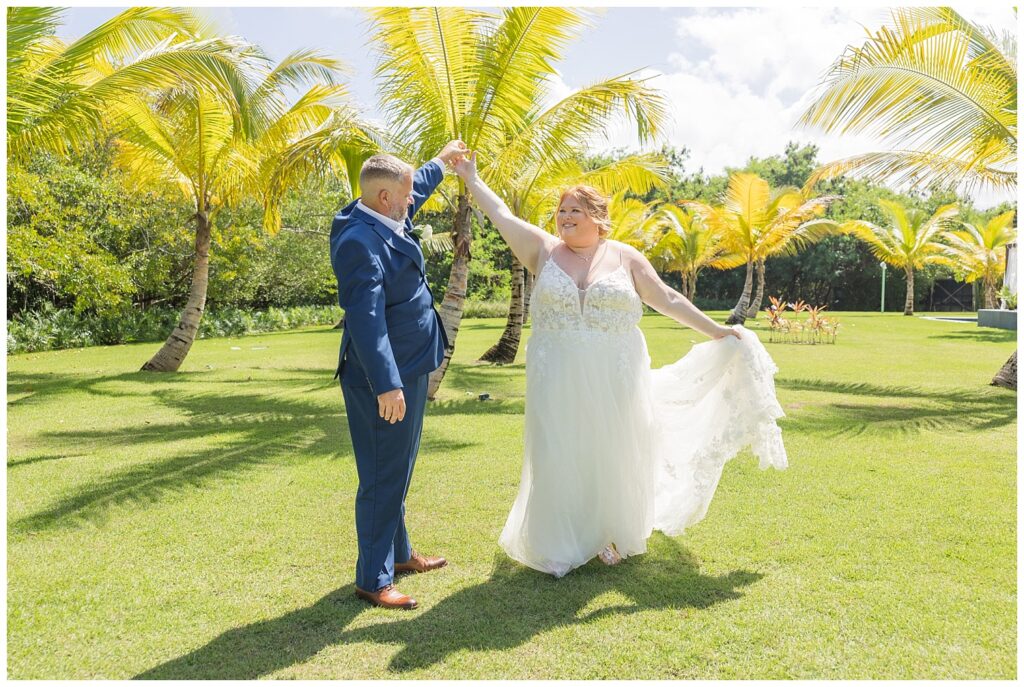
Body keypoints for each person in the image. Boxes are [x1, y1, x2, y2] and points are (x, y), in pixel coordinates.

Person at [452, 151, 788, 577]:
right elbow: (499, 213)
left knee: (611, 449)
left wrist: (717, 331)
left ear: (597, 217)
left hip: (615, 374)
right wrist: (471, 178)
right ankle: (560, 540)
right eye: (560, 210)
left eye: (575, 209)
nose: (564, 216)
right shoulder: (542, 250)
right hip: (556, 375)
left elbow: (667, 298)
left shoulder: (626, 257)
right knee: (558, 449)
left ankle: (608, 534)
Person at [330, 141, 468, 609]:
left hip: (410, 363)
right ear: (385, 197)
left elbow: (417, 187)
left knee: (399, 468)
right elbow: (366, 322)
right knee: (381, 476)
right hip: (381, 378)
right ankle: (373, 578)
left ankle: (400, 552)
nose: (413, 200)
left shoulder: (384, 214)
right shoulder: (358, 243)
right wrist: (387, 384)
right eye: (406, 194)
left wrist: (442, 161)